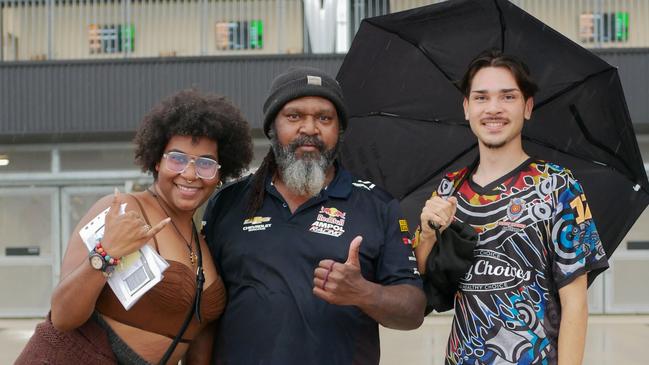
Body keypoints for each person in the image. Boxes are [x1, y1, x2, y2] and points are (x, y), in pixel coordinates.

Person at [203, 66, 426, 364]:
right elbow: (203, 310)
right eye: (294, 116)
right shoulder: (228, 202)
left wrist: (363, 293)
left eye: (324, 118)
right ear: (272, 127)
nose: (310, 128)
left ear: (340, 130)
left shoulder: (378, 205)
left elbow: (412, 311)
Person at [16, 89, 253, 365]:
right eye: (176, 158)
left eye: (205, 163)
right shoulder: (121, 211)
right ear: (156, 160)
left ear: (219, 174)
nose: (190, 174)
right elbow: (63, 316)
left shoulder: (204, 242)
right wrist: (106, 255)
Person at [413, 49, 609, 365]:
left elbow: (575, 302)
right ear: (466, 108)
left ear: (527, 107)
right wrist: (427, 233)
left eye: (508, 97)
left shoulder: (558, 186)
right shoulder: (449, 188)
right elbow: (426, 281)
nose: (494, 108)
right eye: (481, 98)